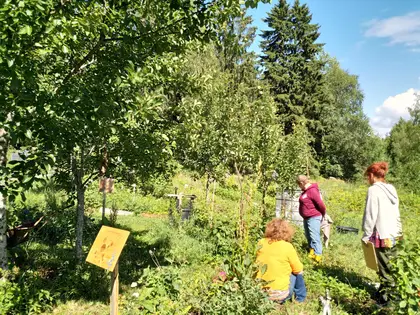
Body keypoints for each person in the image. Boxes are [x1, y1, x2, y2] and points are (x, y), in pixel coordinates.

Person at [362, 162, 403, 304]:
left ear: (372, 175)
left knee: (384, 267)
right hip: (394, 234)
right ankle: (382, 292)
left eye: (368, 176)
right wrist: (399, 231)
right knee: (392, 265)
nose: (368, 179)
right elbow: (396, 212)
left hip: (382, 233)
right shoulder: (391, 188)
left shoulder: (373, 190)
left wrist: (366, 235)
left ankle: (388, 301)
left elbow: (370, 214)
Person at [256, 219, 307, 304]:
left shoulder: (261, 242)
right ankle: (300, 298)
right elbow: (298, 269)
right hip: (280, 295)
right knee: (297, 273)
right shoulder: (287, 246)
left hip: (260, 292)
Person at [296, 175, 326, 262]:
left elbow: (320, 204)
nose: (299, 187)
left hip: (313, 216)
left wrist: (323, 213)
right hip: (307, 217)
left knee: (314, 236)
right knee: (308, 235)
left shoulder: (312, 191)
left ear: (301, 183)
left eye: (299, 185)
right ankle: (311, 250)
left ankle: (318, 256)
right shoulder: (305, 191)